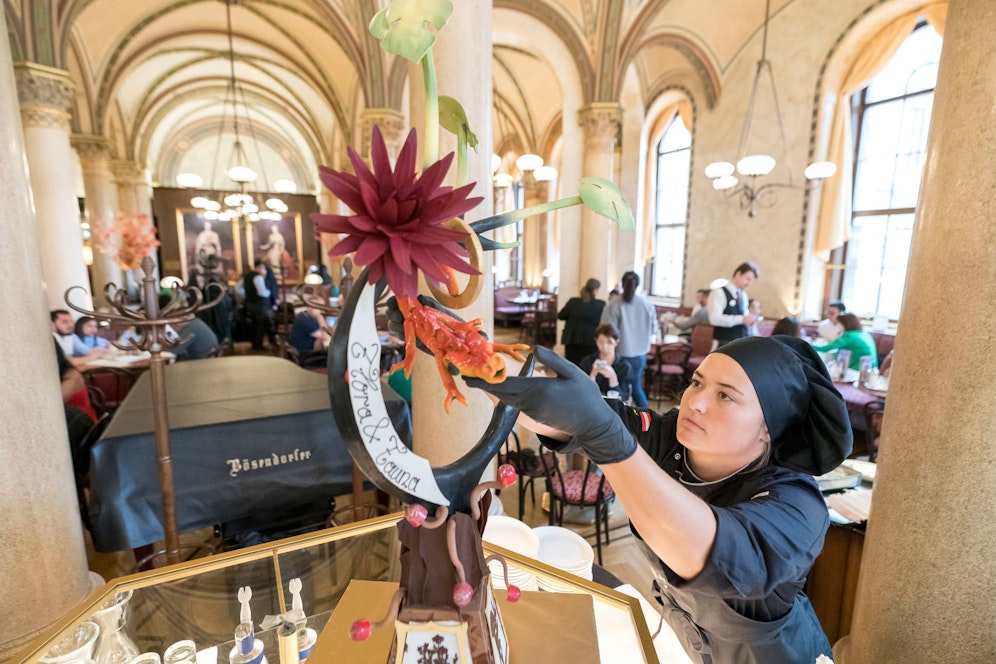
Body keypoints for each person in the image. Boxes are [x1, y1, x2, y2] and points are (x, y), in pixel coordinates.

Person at [466, 336, 852, 663]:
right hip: (687, 642)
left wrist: (606, 437)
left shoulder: (797, 504)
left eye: (725, 396)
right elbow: (562, 411)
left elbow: (709, 554)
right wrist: (465, 348)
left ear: (769, 428)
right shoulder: (672, 439)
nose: (695, 402)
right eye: (697, 383)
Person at [600, 271, 657, 408]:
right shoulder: (647, 305)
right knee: (636, 388)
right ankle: (646, 416)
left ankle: (620, 417)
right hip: (639, 354)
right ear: (638, 285)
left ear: (622, 283)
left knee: (617, 390)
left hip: (619, 355)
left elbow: (607, 332)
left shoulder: (613, 305)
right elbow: (653, 329)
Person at [707, 262, 760, 347]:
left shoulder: (744, 295)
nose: (749, 283)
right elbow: (714, 319)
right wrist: (741, 319)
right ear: (738, 274)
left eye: (751, 281)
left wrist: (750, 320)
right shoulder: (719, 292)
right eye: (748, 279)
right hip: (723, 343)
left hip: (740, 342)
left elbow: (744, 316)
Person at [577, 323, 631, 402]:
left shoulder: (624, 366)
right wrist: (592, 375)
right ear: (596, 341)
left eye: (609, 343)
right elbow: (580, 391)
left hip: (613, 407)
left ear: (616, 342)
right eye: (601, 342)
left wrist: (613, 378)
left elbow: (624, 397)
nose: (605, 347)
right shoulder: (587, 362)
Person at [557, 278, 605, 366]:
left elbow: (560, 316)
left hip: (572, 340)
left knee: (571, 367)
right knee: (588, 367)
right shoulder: (601, 305)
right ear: (596, 290)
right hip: (591, 342)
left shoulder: (573, 302)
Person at [811, 313, 878, 371]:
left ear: (844, 324)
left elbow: (824, 349)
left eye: (837, 324)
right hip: (872, 369)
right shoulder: (865, 334)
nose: (837, 326)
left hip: (857, 371)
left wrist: (806, 345)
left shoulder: (849, 336)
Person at [242, 259, 273, 351]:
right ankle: (258, 345)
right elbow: (262, 292)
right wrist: (269, 292)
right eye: (264, 268)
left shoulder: (247, 276)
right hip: (259, 305)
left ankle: (254, 344)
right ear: (260, 267)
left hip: (250, 304)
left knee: (254, 325)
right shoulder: (258, 277)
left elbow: (240, 289)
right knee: (260, 326)